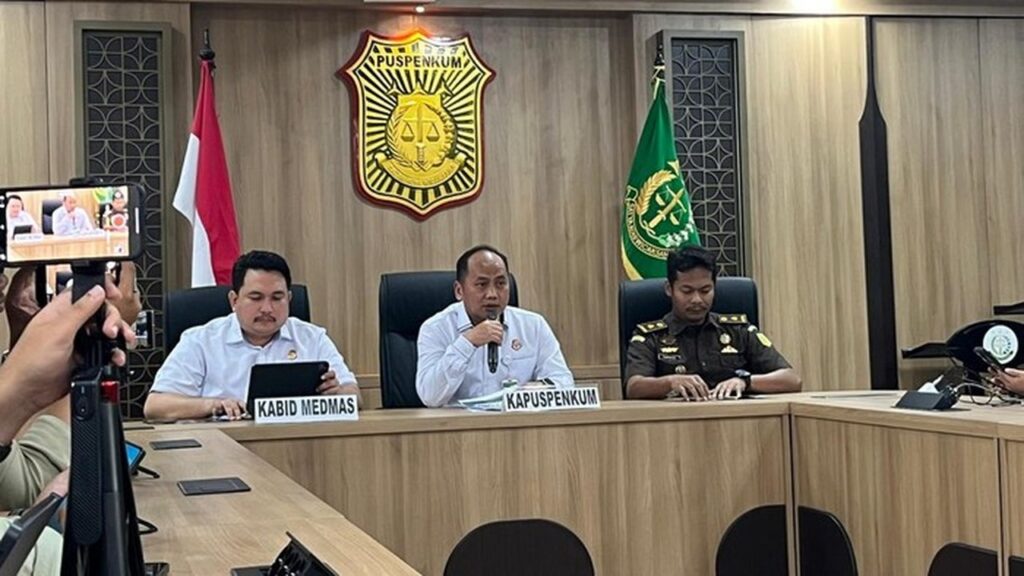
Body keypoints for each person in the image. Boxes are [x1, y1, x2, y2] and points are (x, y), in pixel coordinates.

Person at [144, 250, 360, 421]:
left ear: (289, 299)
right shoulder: (200, 341)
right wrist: (213, 405)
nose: (267, 308)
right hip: (223, 449)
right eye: (256, 298)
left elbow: (354, 395)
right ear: (234, 300)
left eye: (277, 298)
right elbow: (155, 407)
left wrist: (337, 394)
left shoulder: (313, 338)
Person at [624, 246, 801, 401]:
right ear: (669, 289)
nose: (696, 299)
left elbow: (792, 380)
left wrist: (745, 382)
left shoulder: (739, 330)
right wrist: (670, 382)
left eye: (705, 290)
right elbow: (633, 387)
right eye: (687, 291)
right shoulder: (650, 336)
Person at [415, 245, 574, 407]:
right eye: (481, 284)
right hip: (459, 422)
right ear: (459, 290)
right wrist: (467, 343)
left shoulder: (533, 326)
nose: (492, 294)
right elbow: (430, 397)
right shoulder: (435, 329)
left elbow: (564, 381)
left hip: (517, 421)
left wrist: (542, 388)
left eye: (500, 283)